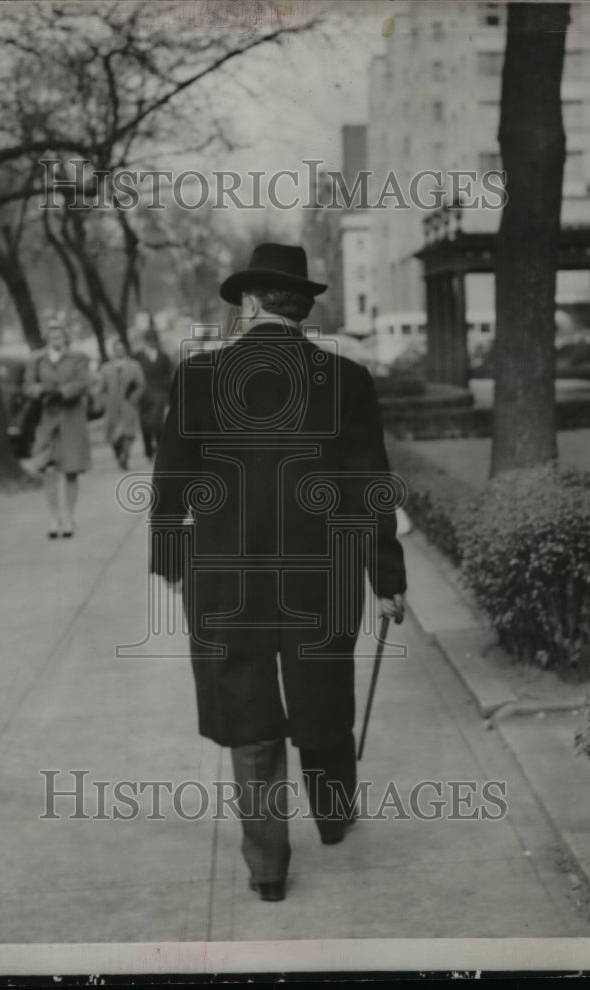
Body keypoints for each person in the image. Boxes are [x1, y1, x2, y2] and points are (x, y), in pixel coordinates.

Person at [149, 243, 407, 902]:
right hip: (319, 576)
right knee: (323, 694)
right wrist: (389, 578)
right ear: (304, 308)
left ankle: (268, 865)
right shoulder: (347, 381)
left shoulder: (200, 376)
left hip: (225, 581)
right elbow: (370, 487)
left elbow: (172, 483)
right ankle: (333, 817)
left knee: (247, 709)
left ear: (252, 303)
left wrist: (172, 565)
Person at [26, 323, 93, 538]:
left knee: (71, 470)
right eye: (52, 335)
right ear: (47, 338)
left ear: (66, 337)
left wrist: (63, 392)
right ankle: (54, 517)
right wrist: (41, 391)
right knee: (48, 468)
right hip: (47, 419)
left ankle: (70, 517)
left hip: (72, 418)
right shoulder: (37, 360)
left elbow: (85, 382)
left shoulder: (78, 358)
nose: (56, 338)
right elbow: (27, 385)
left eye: (60, 335)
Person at [101, 336, 145, 470]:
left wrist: (134, 397)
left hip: (128, 404)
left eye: (121, 349)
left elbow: (141, 384)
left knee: (128, 433)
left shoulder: (134, 366)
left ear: (125, 350)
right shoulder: (107, 368)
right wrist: (104, 401)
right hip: (112, 406)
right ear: (113, 351)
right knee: (113, 435)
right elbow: (102, 387)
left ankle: (124, 456)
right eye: (116, 349)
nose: (119, 351)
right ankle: (118, 453)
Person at [134, 329, 174, 459]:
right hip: (144, 396)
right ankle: (148, 450)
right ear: (145, 341)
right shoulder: (138, 357)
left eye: (153, 339)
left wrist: (168, 393)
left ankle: (160, 448)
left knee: (159, 423)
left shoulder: (164, 357)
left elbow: (169, 376)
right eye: (148, 340)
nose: (151, 342)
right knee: (145, 425)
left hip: (160, 394)